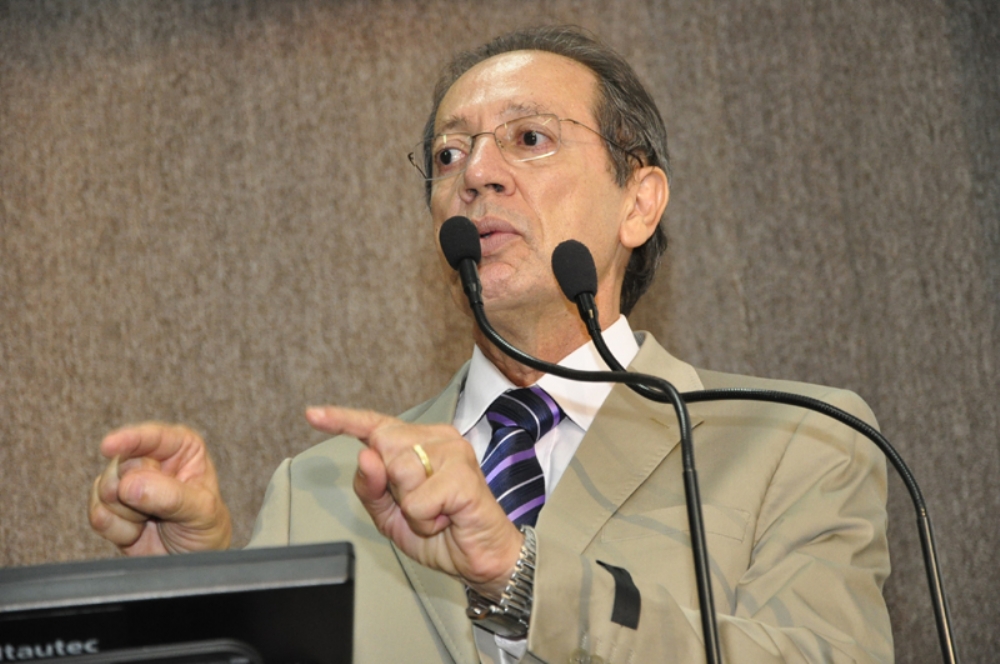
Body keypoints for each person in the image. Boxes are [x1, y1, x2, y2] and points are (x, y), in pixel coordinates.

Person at [89, 26, 892, 664]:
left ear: (639, 203)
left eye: (530, 138)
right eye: (449, 154)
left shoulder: (798, 441)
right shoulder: (324, 489)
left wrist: (521, 577)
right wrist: (184, 598)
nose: (476, 174)